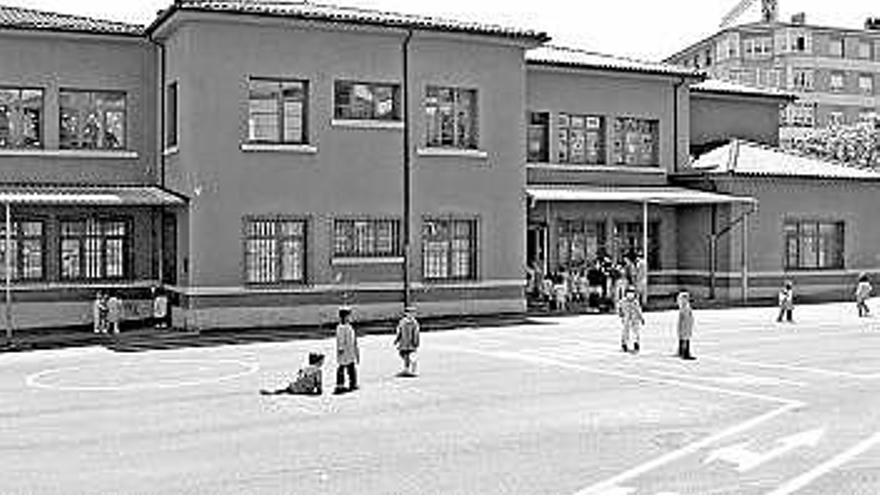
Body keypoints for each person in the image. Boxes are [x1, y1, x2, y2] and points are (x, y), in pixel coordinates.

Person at [260, 352, 325, 396]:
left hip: (295, 386)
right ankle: (273, 393)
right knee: (286, 391)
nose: (322, 363)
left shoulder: (304, 368)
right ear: (318, 362)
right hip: (305, 389)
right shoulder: (318, 371)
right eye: (322, 361)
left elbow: (299, 377)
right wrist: (318, 392)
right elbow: (318, 383)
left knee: (285, 390)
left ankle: (273, 393)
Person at [334, 306, 359, 394]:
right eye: (348, 316)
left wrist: (356, 350)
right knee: (341, 368)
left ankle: (353, 383)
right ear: (344, 317)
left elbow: (353, 339)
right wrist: (340, 348)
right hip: (344, 351)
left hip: (350, 351)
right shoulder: (341, 327)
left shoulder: (349, 326)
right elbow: (341, 339)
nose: (350, 318)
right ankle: (340, 385)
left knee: (351, 368)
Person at [394, 306, 421, 376]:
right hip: (403, 342)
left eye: (412, 313)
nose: (411, 315)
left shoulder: (414, 323)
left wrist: (416, 342)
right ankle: (408, 368)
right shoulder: (402, 322)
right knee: (402, 354)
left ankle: (409, 369)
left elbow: (416, 333)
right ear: (406, 314)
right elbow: (399, 331)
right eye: (409, 313)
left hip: (411, 343)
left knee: (409, 356)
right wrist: (397, 340)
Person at [618, 286, 645, 354]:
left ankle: (636, 343)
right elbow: (620, 309)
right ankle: (624, 344)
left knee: (636, 331)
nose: (630, 295)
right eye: (629, 293)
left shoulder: (635, 302)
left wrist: (641, 318)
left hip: (634, 319)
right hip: (626, 318)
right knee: (625, 332)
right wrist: (621, 315)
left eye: (632, 293)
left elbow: (638, 310)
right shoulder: (623, 301)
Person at [676, 290, 695, 360]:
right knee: (685, 340)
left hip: (686, 327)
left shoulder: (685, 307)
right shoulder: (684, 308)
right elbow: (683, 319)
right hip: (685, 327)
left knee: (685, 340)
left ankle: (683, 352)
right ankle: (685, 354)